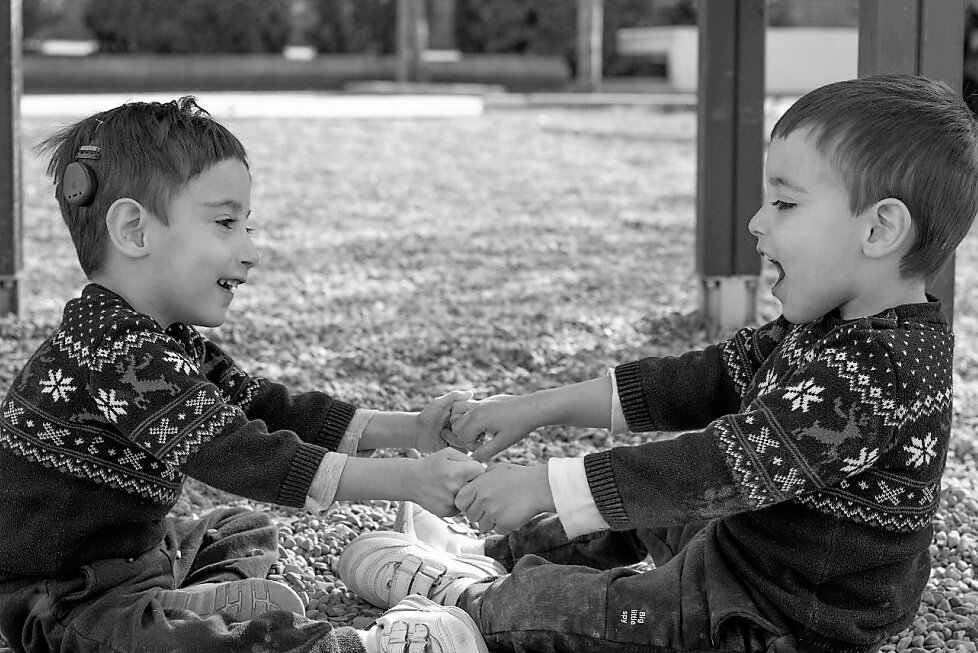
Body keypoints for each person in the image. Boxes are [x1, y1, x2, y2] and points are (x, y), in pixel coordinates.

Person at [336, 74, 978, 653]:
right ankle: (485, 556)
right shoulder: (830, 330)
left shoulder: (880, 373)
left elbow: (723, 465)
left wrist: (543, 481)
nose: (757, 222)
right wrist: (538, 408)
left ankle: (474, 613)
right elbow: (698, 382)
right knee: (654, 505)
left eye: (785, 203)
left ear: (879, 229)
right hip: (750, 546)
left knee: (598, 594)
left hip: (781, 615)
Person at [0, 97, 491, 653]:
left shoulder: (160, 337)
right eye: (226, 223)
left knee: (238, 528)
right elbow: (241, 452)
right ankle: (351, 647)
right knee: (156, 643)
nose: (250, 251)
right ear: (135, 230)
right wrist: (407, 480)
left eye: (247, 226)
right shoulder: (116, 356)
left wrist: (411, 430)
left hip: (140, 555)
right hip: (66, 596)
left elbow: (263, 407)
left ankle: (185, 606)